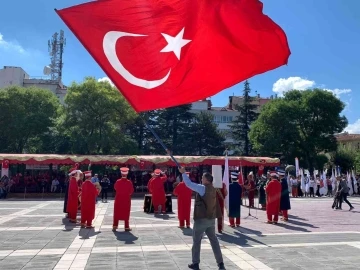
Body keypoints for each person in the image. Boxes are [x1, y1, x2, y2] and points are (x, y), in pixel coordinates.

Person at [178, 167, 226, 270]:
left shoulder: (202, 188)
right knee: (214, 241)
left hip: (201, 219)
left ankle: (195, 263)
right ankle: (221, 264)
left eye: (203, 178)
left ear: (207, 180)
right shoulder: (213, 188)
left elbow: (189, 184)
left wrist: (183, 173)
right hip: (211, 219)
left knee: (196, 241)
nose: (201, 179)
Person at [113, 167, 134, 232]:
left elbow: (115, 188)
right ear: (127, 174)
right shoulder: (129, 182)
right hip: (126, 199)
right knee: (126, 212)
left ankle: (115, 226)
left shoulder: (118, 181)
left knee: (117, 212)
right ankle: (126, 226)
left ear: (121, 174)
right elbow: (131, 191)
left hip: (118, 199)